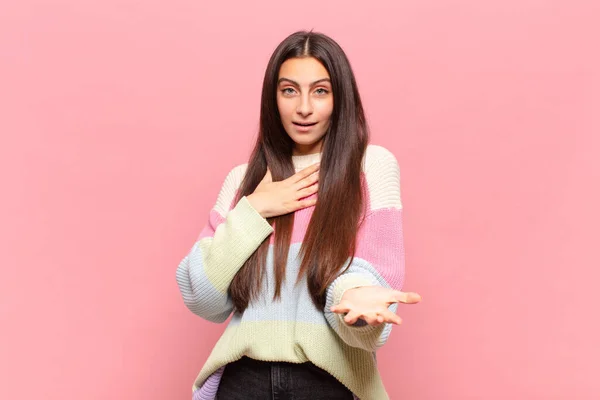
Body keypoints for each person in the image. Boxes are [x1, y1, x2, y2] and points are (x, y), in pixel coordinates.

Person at [175, 29, 422, 400]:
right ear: (272, 99)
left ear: (341, 99)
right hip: (243, 382)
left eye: (320, 91)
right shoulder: (244, 181)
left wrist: (357, 300)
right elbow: (203, 299)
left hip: (326, 383)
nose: (303, 107)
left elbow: (367, 301)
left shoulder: (371, 167)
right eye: (289, 90)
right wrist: (254, 209)